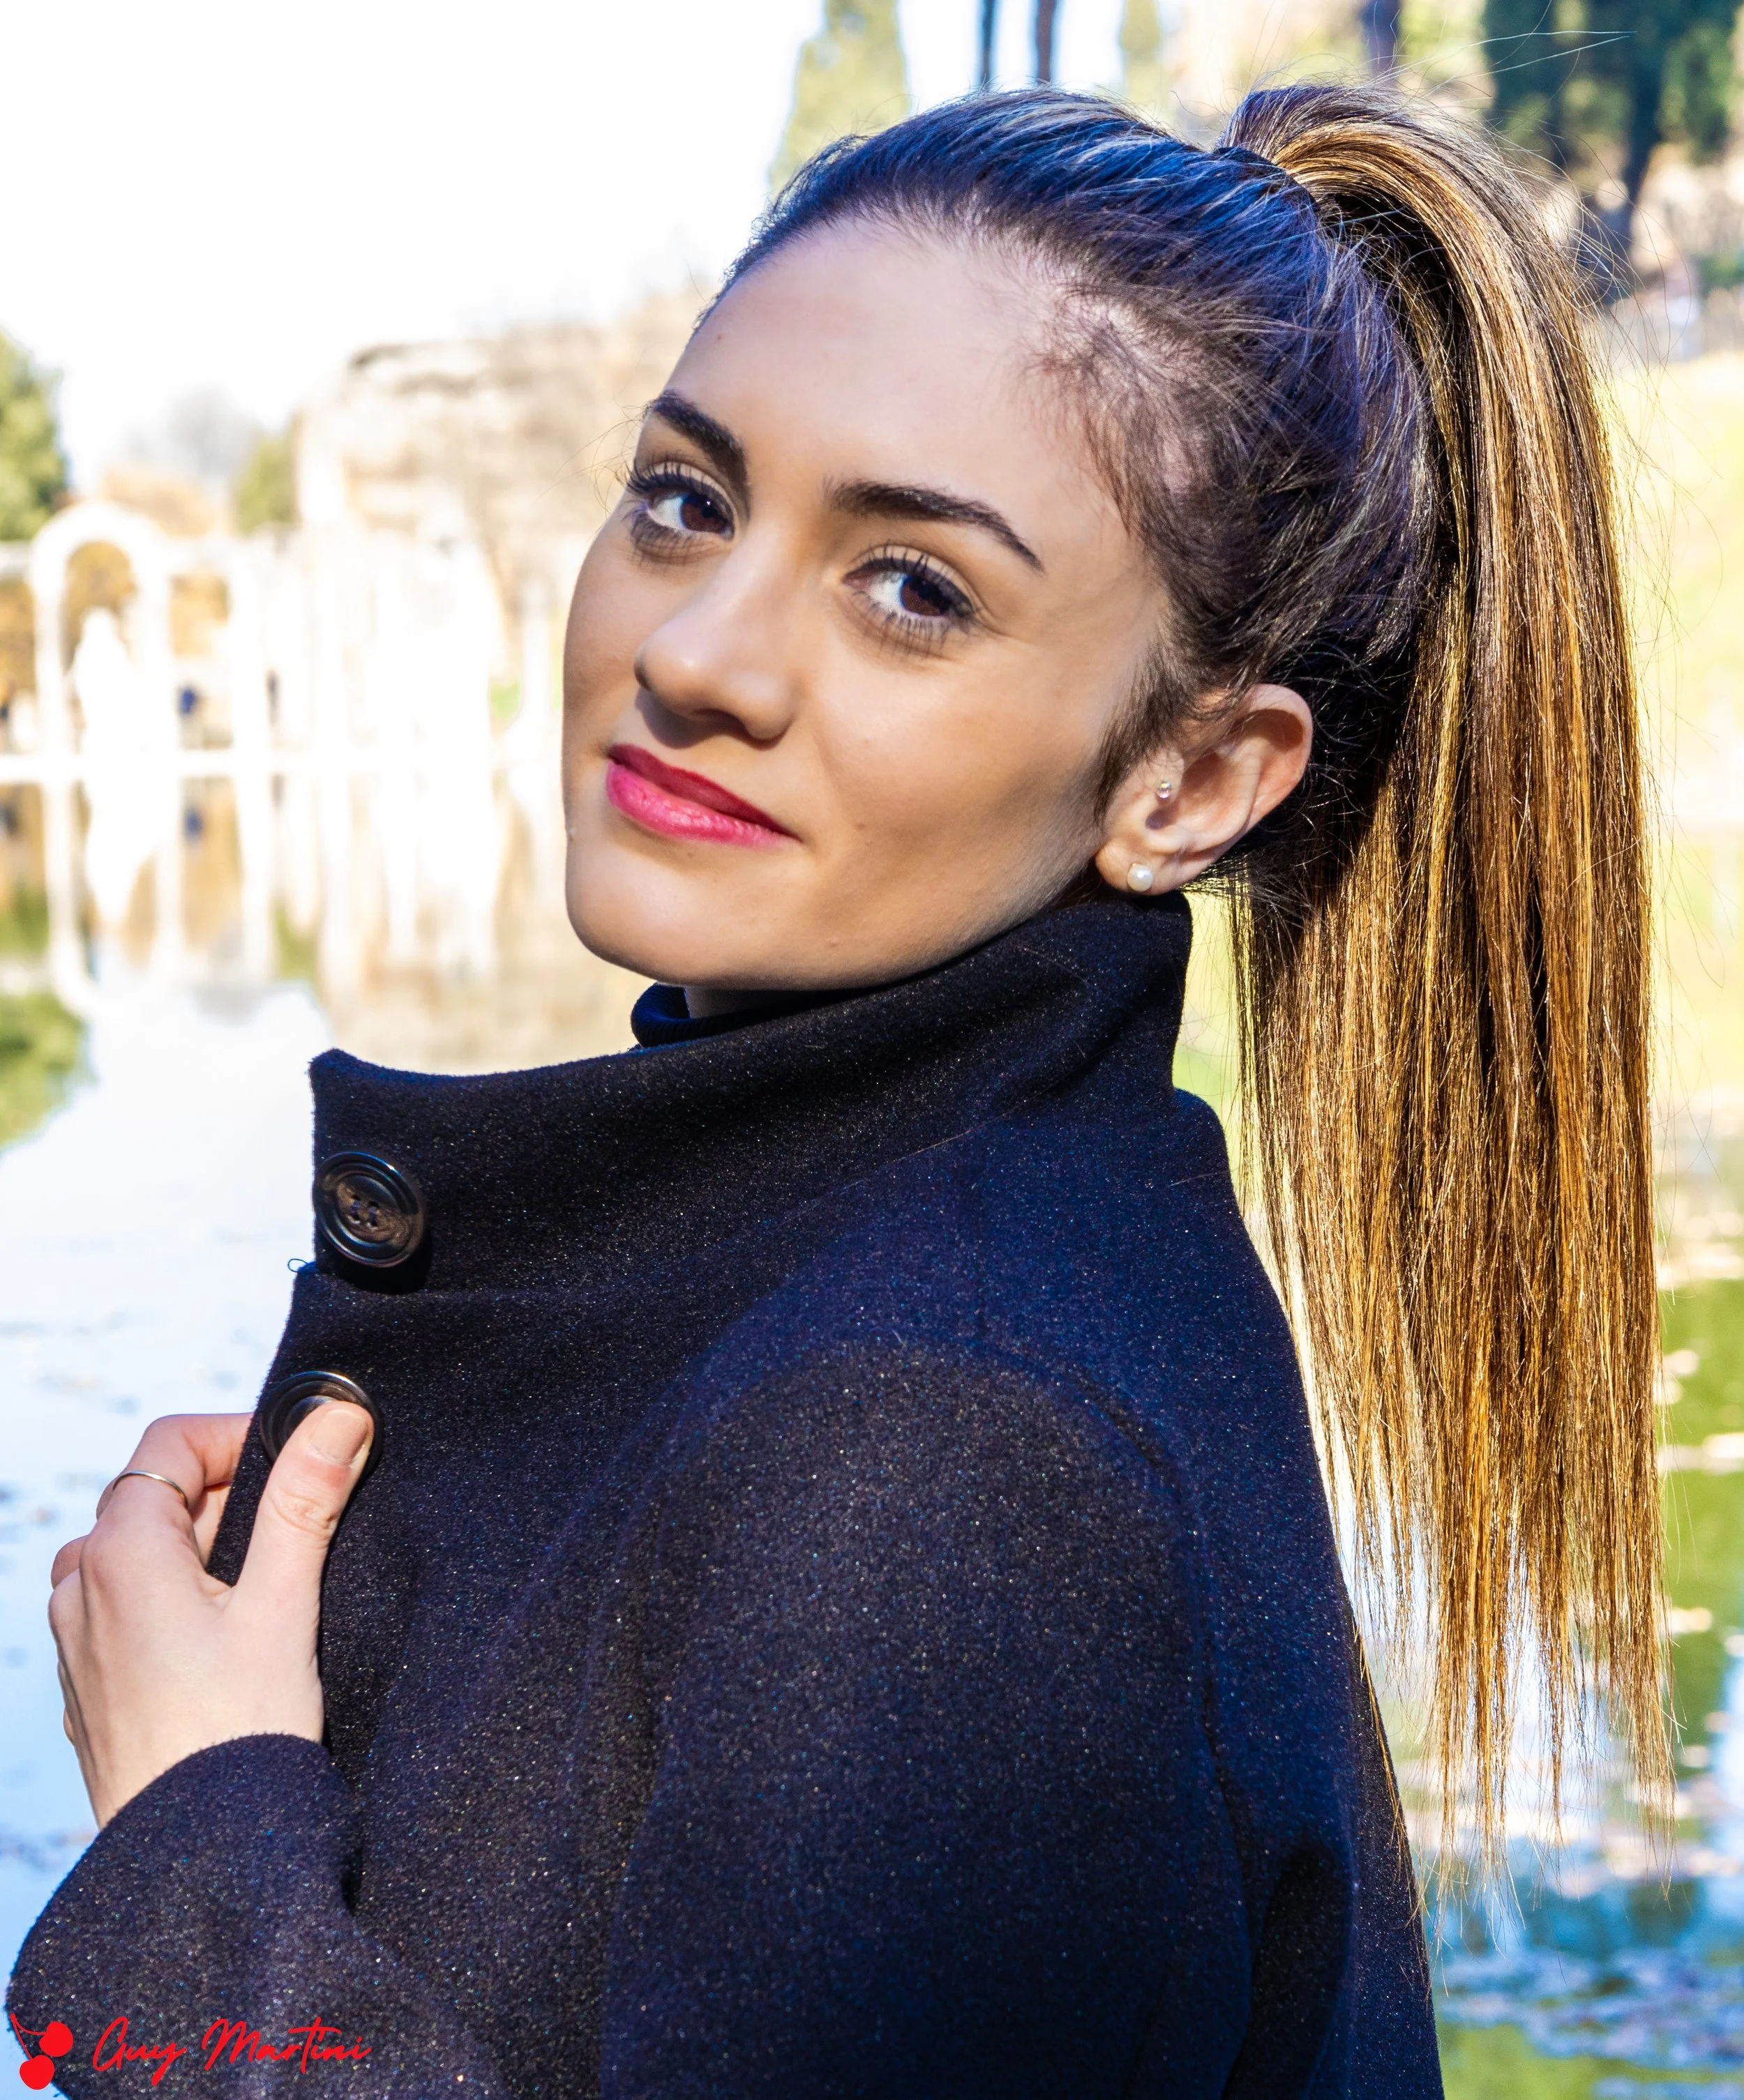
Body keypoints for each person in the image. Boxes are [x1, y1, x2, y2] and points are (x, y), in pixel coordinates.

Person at [10, 82, 1660, 2097]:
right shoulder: (966, 1270)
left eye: (912, 590)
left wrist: (196, 1832)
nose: (696, 649)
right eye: (685, 499)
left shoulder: (941, 1448)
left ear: (1191, 782)